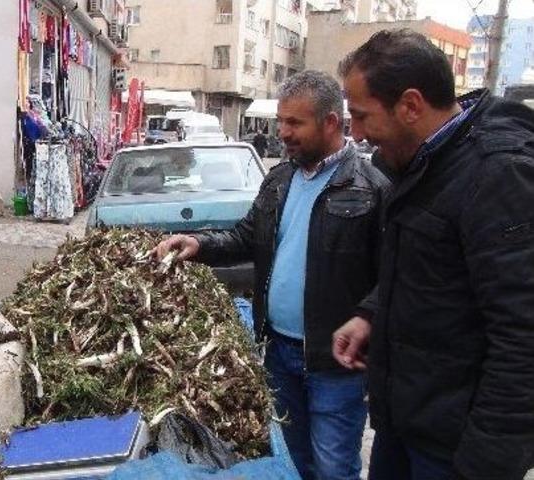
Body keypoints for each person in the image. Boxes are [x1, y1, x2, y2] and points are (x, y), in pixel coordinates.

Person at [154, 70, 389, 480]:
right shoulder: (280, 178)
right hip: (278, 352)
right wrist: (200, 244)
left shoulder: (370, 188)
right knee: (291, 460)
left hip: (335, 362)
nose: (283, 132)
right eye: (281, 121)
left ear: (331, 122)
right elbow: (247, 236)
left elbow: (391, 279)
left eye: (294, 123)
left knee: (333, 466)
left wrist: (369, 322)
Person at [333, 29, 534, 480]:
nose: (358, 135)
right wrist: (370, 313)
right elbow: (426, 269)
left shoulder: (498, 175)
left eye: (363, 117)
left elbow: (522, 338)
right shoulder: (421, 163)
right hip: (404, 426)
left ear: (410, 105)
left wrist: (486, 464)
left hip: (456, 449)